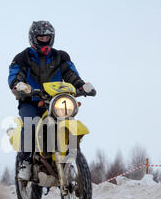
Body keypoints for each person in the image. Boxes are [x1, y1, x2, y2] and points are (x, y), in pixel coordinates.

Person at [8, 21, 96, 181]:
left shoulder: (61, 56)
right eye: (41, 37)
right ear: (33, 38)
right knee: (30, 123)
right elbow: (15, 73)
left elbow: (71, 74)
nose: (44, 40)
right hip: (32, 101)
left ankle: (68, 159)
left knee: (67, 121)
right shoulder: (22, 57)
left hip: (56, 101)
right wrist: (17, 84)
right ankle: (25, 163)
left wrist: (82, 86)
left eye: (47, 37)